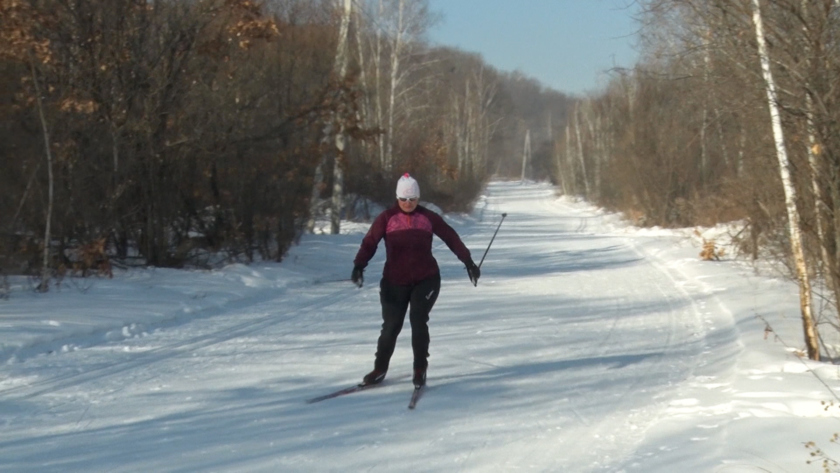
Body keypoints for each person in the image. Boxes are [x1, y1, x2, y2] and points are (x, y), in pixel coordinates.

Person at [351, 173, 480, 388]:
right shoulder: (387, 218)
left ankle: (420, 368)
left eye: (412, 199)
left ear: (418, 198)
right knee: (391, 326)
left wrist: (468, 262)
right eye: (403, 199)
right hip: (394, 281)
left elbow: (450, 236)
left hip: (426, 279)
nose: (408, 203)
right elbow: (370, 242)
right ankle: (379, 368)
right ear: (397, 198)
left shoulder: (428, 218)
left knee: (418, 320)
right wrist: (359, 265)